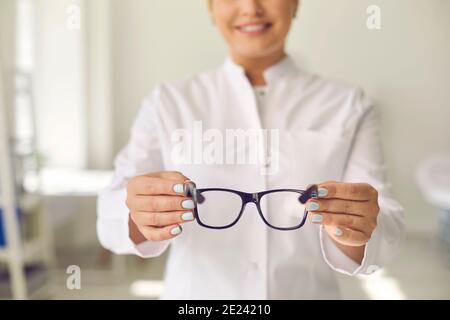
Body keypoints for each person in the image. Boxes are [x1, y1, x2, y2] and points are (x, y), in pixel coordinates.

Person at [97, 0, 405, 299]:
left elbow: (387, 227)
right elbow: (111, 213)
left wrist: (360, 227)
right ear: (210, 7)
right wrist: (138, 210)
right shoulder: (167, 102)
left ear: (295, 4)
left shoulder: (350, 105)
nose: (250, 7)